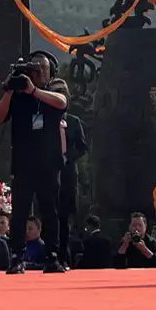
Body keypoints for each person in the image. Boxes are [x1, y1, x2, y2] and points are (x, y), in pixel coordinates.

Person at [0, 50, 68, 274]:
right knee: (20, 212)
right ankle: (17, 255)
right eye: (34, 70)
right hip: (24, 162)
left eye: (43, 69)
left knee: (50, 210)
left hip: (49, 162)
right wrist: (9, 91)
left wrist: (34, 91)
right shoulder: (18, 94)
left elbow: (62, 102)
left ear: (50, 71)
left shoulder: (56, 86)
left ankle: (53, 255)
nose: (38, 73)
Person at [59, 113, 88, 267]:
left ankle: (63, 257)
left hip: (68, 173)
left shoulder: (73, 121)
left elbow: (83, 147)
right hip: (48, 171)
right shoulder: (44, 117)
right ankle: (51, 256)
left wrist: (67, 157)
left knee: (65, 217)